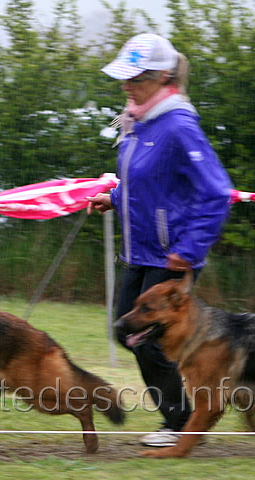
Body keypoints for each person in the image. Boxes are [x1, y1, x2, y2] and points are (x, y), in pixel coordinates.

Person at [87, 33, 232, 447]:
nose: (127, 86)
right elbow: (147, 183)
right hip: (138, 251)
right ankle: (186, 416)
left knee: (147, 337)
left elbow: (216, 192)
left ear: (163, 77)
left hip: (171, 258)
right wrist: (113, 198)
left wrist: (187, 249)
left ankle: (184, 422)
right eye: (125, 77)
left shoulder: (178, 125)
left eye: (136, 78)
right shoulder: (137, 119)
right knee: (125, 332)